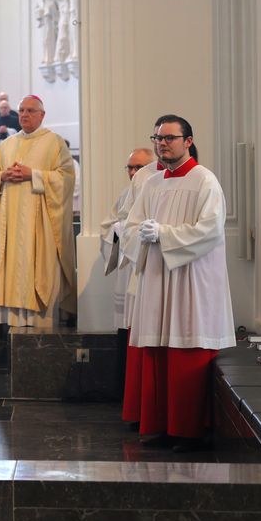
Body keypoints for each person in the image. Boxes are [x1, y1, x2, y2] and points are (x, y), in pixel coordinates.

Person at [122, 115, 235, 451]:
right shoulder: (151, 183)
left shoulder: (204, 181)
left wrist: (165, 235)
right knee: (158, 350)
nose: (162, 143)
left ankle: (188, 430)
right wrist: (138, 234)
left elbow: (210, 230)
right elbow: (131, 225)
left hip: (191, 280)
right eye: (158, 138)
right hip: (157, 277)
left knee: (187, 351)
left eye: (169, 138)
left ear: (187, 141)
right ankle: (161, 426)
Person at [0, 95, 76, 327]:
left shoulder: (54, 143)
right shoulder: (7, 145)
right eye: (22, 110)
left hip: (40, 228)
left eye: (31, 111)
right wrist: (2, 176)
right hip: (11, 227)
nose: (24, 115)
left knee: (38, 270)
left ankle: (41, 325)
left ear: (42, 115)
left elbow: (66, 178)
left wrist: (32, 175)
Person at [98, 147, 157, 397]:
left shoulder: (156, 192)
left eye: (139, 167)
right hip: (126, 272)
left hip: (143, 270)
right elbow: (107, 227)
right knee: (126, 332)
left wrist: (129, 231)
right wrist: (118, 231)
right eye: (130, 167)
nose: (133, 172)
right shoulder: (125, 195)